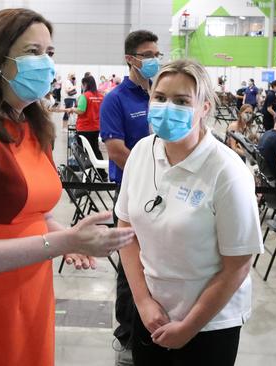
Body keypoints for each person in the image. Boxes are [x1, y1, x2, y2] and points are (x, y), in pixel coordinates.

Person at [0, 9, 134, 366]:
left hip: (30, 287)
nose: (45, 63)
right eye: (32, 52)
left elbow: (37, 211)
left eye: (49, 53)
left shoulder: (32, 122)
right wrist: (65, 241)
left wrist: (70, 237)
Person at [117, 59, 263, 365]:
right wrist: (143, 302)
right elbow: (126, 231)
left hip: (209, 325)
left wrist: (189, 326)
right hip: (151, 315)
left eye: (182, 101)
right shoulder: (142, 152)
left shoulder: (226, 170)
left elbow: (238, 263)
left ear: (205, 108)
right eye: (160, 98)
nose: (168, 107)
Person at [99, 29, 161, 365]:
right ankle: (126, 335)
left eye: (156, 54)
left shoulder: (160, 96)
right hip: (132, 191)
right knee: (130, 263)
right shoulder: (116, 100)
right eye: (147, 54)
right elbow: (116, 150)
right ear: (130, 58)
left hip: (164, 193)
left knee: (159, 259)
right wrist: (149, 173)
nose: (154, 60)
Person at [71, 75, 106, 178]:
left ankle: (86, 174)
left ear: (85, 84)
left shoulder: (85, 96)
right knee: (95, 150)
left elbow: (81, 110)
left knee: (83, 152)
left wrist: (73, 109)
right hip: (96, 128)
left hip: (84, 128)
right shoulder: (100, 96)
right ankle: (102, 174)